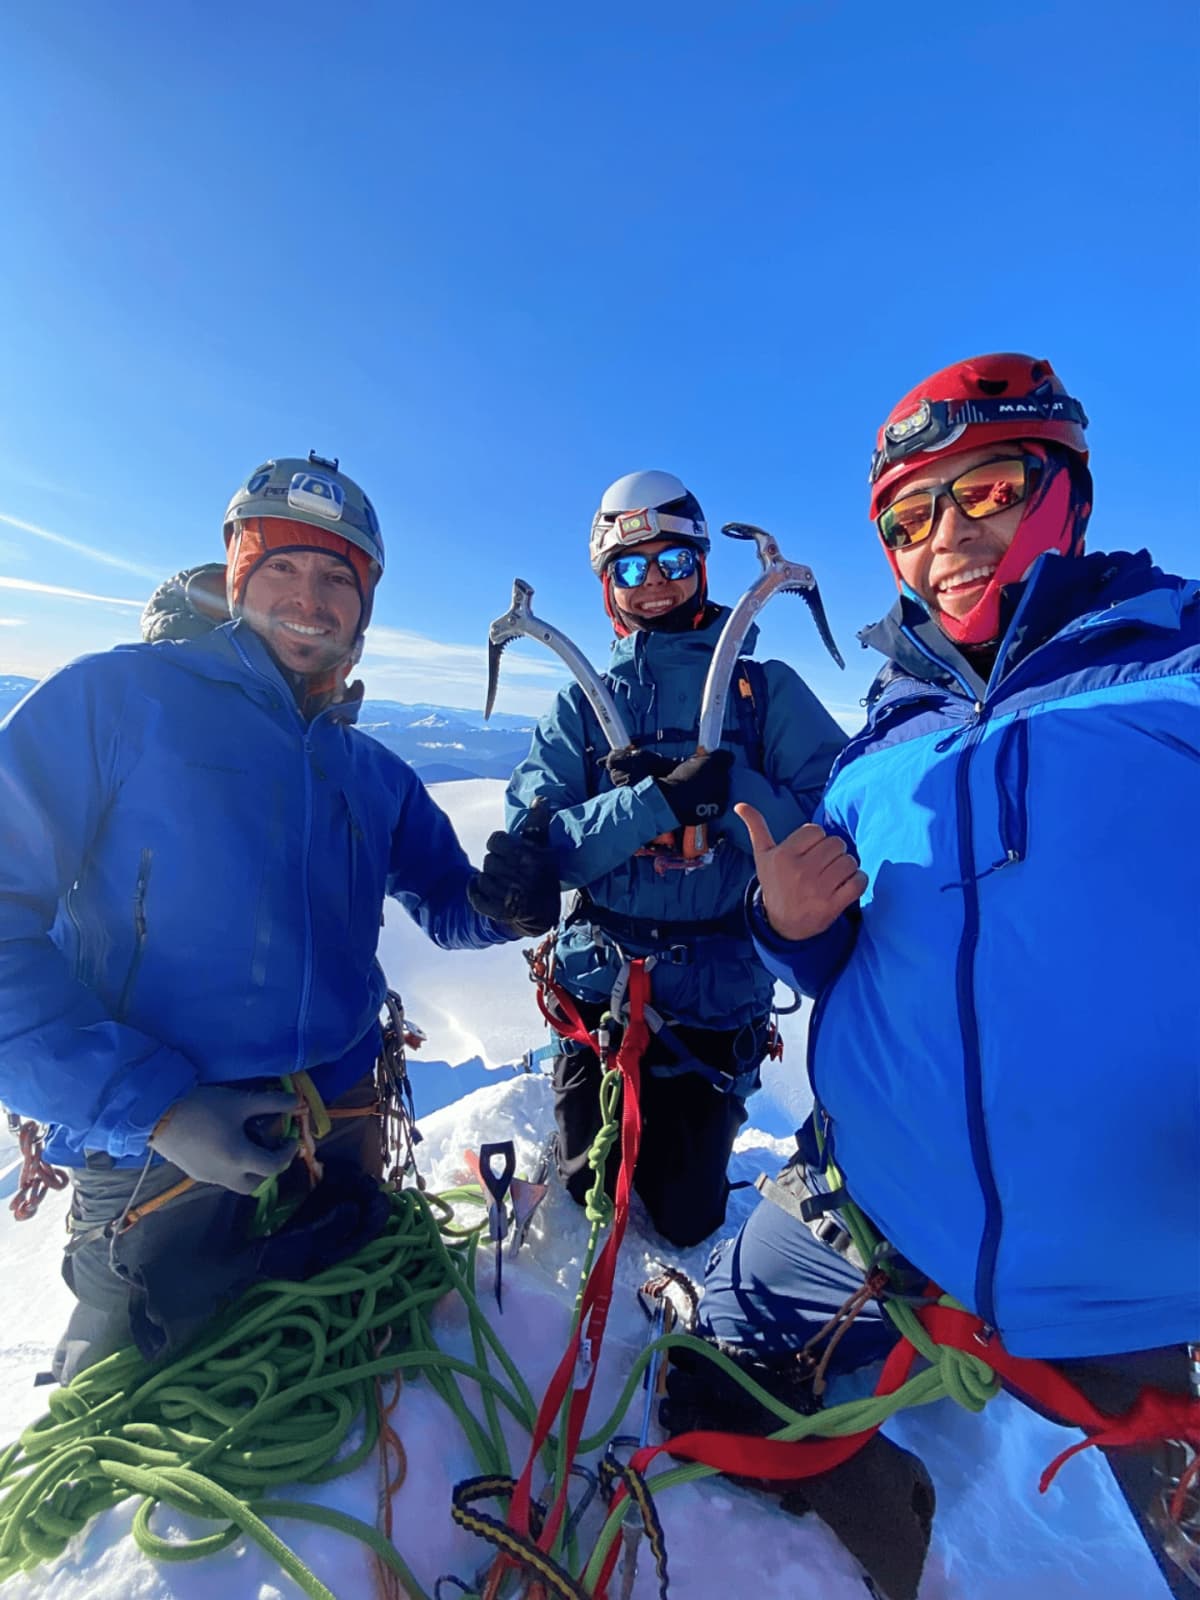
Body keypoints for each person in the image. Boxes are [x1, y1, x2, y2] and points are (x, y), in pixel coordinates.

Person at [666, 355, 1200, 1596]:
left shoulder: (1176, 662)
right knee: (701, 1392)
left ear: (1063, 485)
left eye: (987, 489)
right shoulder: (883, 738)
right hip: (879, 1209)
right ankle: (869, 1528)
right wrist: (791, 926)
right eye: (911, 517)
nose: (945, 538)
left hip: (1151, 1279)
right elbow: (872, 941)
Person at [0, 453, 559, 1380]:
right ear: (237, 572)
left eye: (339, 577)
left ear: (364, 609)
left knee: (366, 1388)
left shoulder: (368, 771)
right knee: (154, 1448)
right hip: (157, 1161)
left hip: (337, 1130)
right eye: (284, 567)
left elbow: (447, 905)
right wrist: (158, 1104)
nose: (312, 598)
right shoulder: (113, 703)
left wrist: (503, 906)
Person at [504, 470, 846, 1247]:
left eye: (672, 563)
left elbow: (831, 836)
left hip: (714, 1000)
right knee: (588, 1182)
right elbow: (542, 844)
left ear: (701, 568)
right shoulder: (582, 708)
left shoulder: (767, 695)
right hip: (598, 989)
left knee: (684, 1215)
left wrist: (726, 792)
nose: (652, 583)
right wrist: (654, 804)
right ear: (607, 587)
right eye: (630, 567)